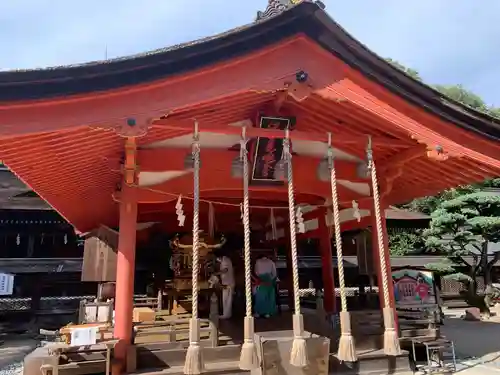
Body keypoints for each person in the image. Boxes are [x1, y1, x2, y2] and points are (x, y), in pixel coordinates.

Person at [253, 253, 278, 318]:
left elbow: (256, 272)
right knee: (269, 297)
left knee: (260, 297)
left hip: (261, 280)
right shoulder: (271, 262)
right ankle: (267, 313)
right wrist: (271, 279)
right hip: (269, 280)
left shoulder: (257, 262)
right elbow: (274, 273)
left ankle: (258, 312)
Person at [215, 249, 235, 319]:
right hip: (227, 282)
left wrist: (217, 273)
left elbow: (225, 270)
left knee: (227, 299)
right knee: (226, 299)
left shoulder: (225, 260)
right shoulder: (225, 260)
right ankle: (226, 314)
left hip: (228, 283)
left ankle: (226, 315)